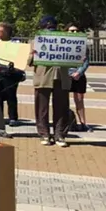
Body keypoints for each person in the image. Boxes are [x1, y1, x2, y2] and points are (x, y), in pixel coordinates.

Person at [27, 15, 72, 147]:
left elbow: (73, 58)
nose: (49, 29)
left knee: (61, 108)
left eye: (52, 26)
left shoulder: (65, 40)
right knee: (42, 108)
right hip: (43, 77)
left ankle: (60, 135)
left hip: (61, 77)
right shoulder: (35, 41)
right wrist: (33, 54)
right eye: (47, 27)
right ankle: (44, 134)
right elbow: (29, 61)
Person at [0, 22, 20, 126]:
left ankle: (13, 118)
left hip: (11, 74)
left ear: (5, 32)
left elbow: (19, 58)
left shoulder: (15, 44)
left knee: (11, 96)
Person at [67, 24, 90, 132]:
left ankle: (83, 123)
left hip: (78, 75)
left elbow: (86, 62)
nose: (74, 33)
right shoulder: (62, 44)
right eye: (71, 31)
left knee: (79, 101)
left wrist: (79, 72)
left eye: (76, 31)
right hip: (66, 75)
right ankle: (66, 122)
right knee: (62, 100)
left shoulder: (83, 45)